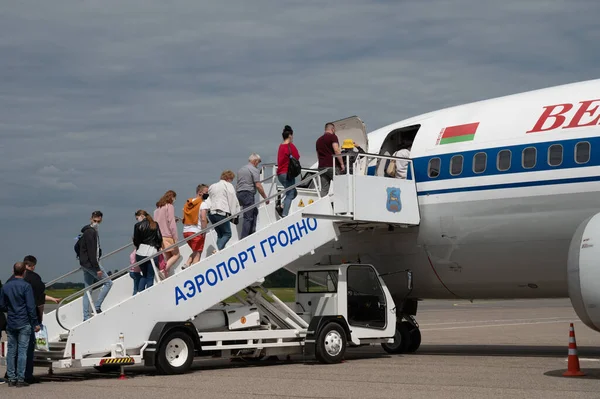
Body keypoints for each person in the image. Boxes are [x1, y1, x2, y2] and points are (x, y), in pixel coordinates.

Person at [0, 262, 40, 388]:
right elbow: (30, 307)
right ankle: (21, 378)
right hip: (24, 321)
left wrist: (11, 309)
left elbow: (1, 305)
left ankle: (11, 377)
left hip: (11, 321)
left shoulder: (6, 287)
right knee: (23, 351)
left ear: (13, 271)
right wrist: (35, 323)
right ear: (24, 272)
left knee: (11, 351)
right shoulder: (26, 286)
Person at [79, 211, 113, 321]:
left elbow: (77, 247)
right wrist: (97, 268)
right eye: (95, 221)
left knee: (88, 289)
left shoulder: (87, 231)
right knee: (108, 282)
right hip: (92, 264)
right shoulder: (91, 232)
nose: (96, 223)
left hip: (85, 263)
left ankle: (85, 317)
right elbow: (92, 252)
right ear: (91, 219)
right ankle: (97, 307)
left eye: (98, 221)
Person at [237, 153, 269, 238]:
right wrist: (265, 198)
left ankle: (252, 232)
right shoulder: (254, 170)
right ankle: (245, 237)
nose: (258, 164)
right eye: (258, 162)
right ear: (255, 161)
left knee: (254, 211)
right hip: (248, 194)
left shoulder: (241, 169)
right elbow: (258, 185)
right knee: (248, 217)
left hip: (239, 193)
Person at [208, 170, 240, 250]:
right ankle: (217, 251)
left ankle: (218, 251)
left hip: (211, 213)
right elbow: (232, 200)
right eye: (231, 179)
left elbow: (209, 199)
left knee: (220, 234)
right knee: (227, 234)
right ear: (229, 178)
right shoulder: (228, 185)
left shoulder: (212, 186)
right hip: (221, 213)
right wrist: (234, 215)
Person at [133, 210, 163, 291]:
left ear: (142, 216)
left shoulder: (137, 226)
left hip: (140, 252)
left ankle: (140, 293)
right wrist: (158, 247)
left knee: (144, 275)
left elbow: (136, 241)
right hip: (152, 252)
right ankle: (149, 294)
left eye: (137, 218)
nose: (137, 220)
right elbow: (159, 238)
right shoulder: (155, 224)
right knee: (150, 276)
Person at [182, 184, 210, 268]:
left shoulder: (188, 204)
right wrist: (204, 231)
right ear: (200, 193)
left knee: (196, 250)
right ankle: (194, 268)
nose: (207, 194)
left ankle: (186, 264)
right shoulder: (203, 204)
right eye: (206, 192)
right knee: (198, 253)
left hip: (186, 232)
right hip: (196, 231)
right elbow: (203, 218)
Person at [154, 190, 180, 277]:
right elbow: (171, 223)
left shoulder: (157, 210)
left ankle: (166, 274)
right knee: (176, 255)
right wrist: (175, 237)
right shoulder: (169, 206)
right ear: (172, 197)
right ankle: (163, 271)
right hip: (168, 236)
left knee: (168, 258)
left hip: (160, 237)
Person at [276, 125, 301, 217]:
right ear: (290, 135)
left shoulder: (281, 146)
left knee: (293, 192)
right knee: (290, 194)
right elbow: (297, 157)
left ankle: (282, 205)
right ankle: (284, 215)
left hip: (280, 174)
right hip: (288, 173)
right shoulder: (290, 146)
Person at [316, 122, 345, 197]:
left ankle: (321, 205)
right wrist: (341, 163)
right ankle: (341, 205)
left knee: (324, 189)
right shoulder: (333, 137)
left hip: (322, 166)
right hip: (332, 166)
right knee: (341, 185)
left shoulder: (318, 140)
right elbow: (336, 150)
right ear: (332, 129)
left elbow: (317, 154)